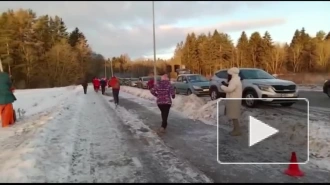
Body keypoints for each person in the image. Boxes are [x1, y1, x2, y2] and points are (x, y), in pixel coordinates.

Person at [220, 67, 243, 136]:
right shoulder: (235, 80)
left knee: (234, 116)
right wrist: (226, 85)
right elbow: (232, 87)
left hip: (234, 100)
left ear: (232, 74)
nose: (228, 75)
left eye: (229, 74)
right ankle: (235, 129)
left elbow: (229, 89)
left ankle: (237, 130)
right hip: (234, 99)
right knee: (233, 115)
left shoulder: (234, 81)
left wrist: (222, 87)